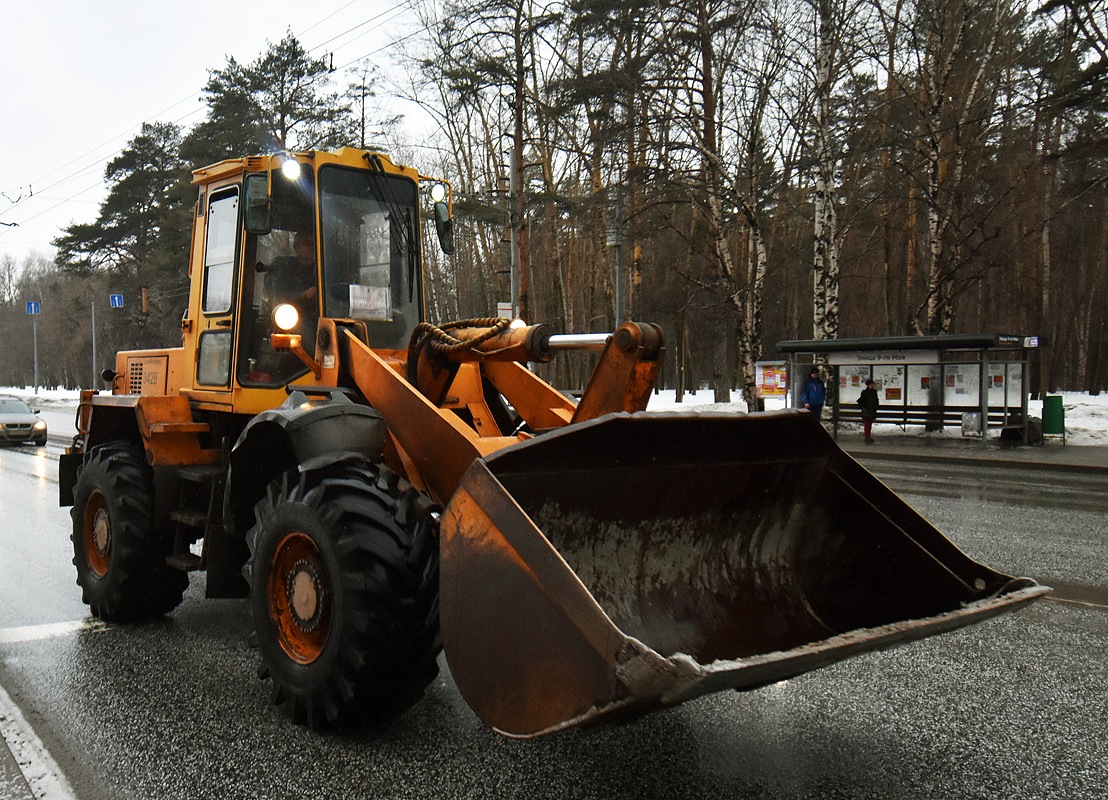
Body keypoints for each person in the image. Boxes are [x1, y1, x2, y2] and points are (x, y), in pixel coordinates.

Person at [858, 378, 879, 444]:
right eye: (872, 384)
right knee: (867, 424)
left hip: (870, 411)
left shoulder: (873, 392)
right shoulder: (866, 392)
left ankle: (868, 437)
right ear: (868, 385)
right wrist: (868, 408)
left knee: (869, 424)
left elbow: (876, 401)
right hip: (867, 411)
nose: (873, 385)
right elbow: (863, 402)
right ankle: (867, 437)